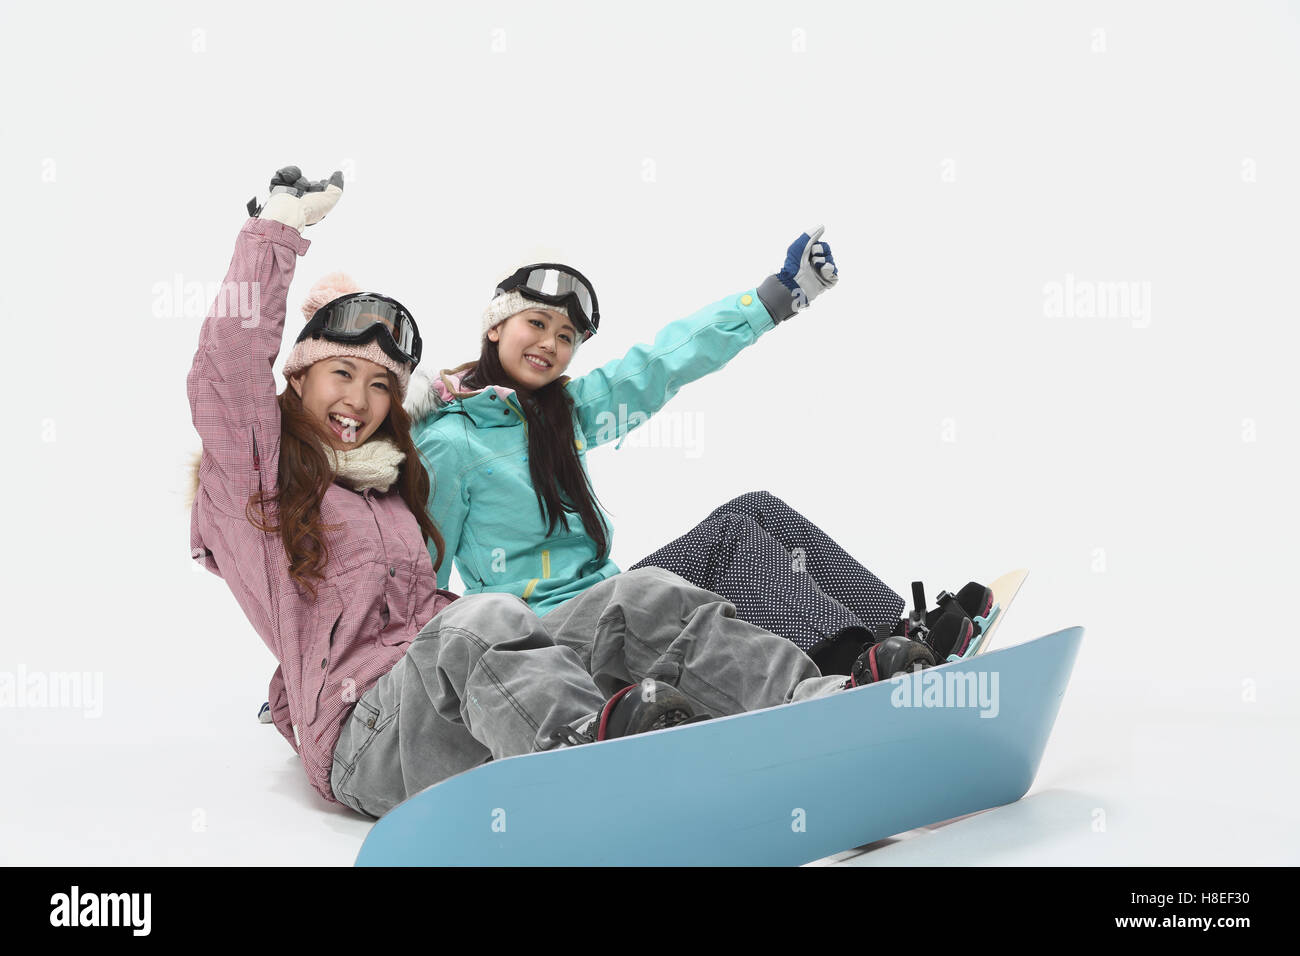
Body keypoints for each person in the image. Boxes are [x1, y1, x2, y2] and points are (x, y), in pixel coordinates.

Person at [190, 166, 903, 818]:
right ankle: (592, 773)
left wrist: (772, 300)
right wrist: (275, 228)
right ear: (297, 379)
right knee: (481, 618)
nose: (360, 398)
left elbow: (653, 369)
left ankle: (827, 712)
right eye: (340, 375)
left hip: (462, 695)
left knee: (642, 594)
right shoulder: (260, 481)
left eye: (380, 384)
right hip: (364, 738)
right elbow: (226, 369)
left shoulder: (396, 484)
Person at [404, 241, 992, 678]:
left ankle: (900, 635)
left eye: (566, 336)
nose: (550, 345)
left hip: (614, 604)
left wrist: (768, 304)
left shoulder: (564, 414)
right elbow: (420, 574)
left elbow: (663, 362)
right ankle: (849, 661)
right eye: (537, 323)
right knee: (723, 547)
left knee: (756, 512)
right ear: (496, 325)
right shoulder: (450, 442)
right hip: (550, 636)